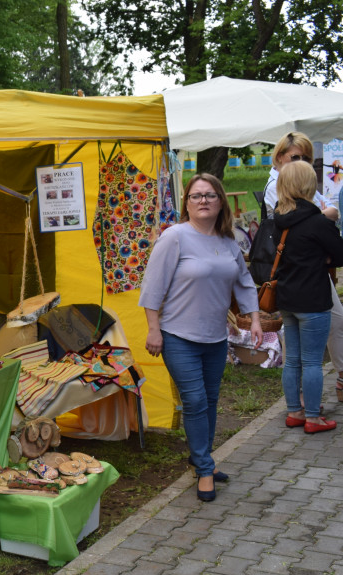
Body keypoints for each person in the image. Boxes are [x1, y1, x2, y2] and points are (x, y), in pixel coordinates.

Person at [140, 173, 262, 502]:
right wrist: (153, 329)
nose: (203, 200)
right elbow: (152, 286)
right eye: (196, 196)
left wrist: (253, 318)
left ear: (221, 201)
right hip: (178, 336)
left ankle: (200, 458)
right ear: (187, 203)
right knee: (194, 402)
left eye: (209, 195)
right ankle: (205, 469)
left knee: (209, 401)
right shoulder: (174, 237)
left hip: (215, 337)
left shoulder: (227, 241)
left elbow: (245, 283)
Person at [264, 132, 343, 403]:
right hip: (311, 293)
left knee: (294, 361)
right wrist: (325, 252)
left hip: (288, 291)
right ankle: (311, 414)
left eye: (306, 158)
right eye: (296, 158)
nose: (303, 163)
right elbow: (338, 251)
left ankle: (295, 411)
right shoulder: (315, 220)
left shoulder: (283, 215)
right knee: (310, 362)